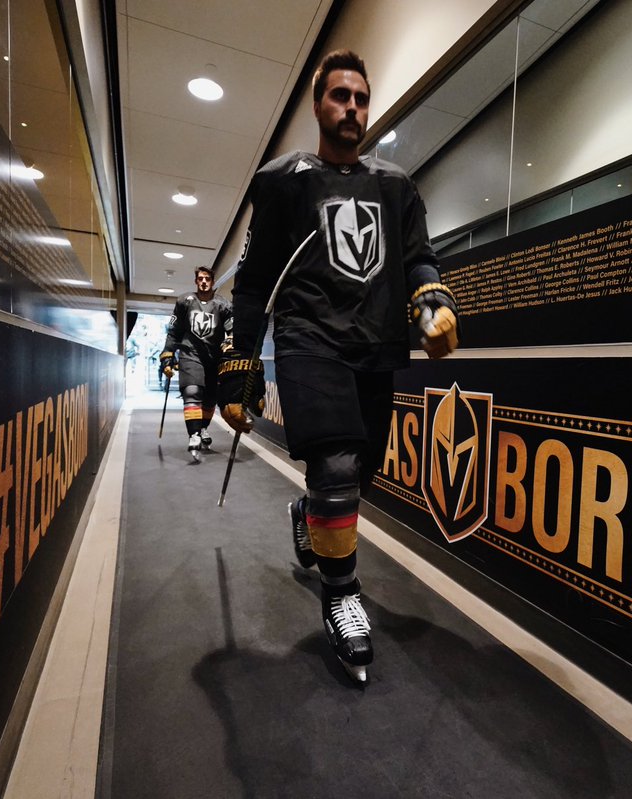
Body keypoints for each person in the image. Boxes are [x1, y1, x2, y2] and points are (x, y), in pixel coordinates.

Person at [219, 49, 458, 681]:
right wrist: (241, 363)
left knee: (359, 478)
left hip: (376, 345)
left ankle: (308, 515)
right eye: (339, 96)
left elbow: (419, 257)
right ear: (318, 104)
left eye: (360, 98)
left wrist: (433, 301)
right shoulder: (283, 180)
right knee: (337, 465)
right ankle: (341, 595)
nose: (352, 107)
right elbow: (254, 281)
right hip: (308, 339)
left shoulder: (397, 186)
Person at [160, 266, 234, 461]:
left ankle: (202, 429)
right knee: (192, 391)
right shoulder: (184, 301)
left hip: (214, 357)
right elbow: (174, 331)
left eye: (207, 278)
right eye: (200, 278)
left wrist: (230, 340)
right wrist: (168, 354)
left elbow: (232, 330)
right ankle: (193, 435)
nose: (204, 282)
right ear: (196, 281)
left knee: (210, 399)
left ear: (213, 281)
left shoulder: (223, 305)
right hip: (190, 353)